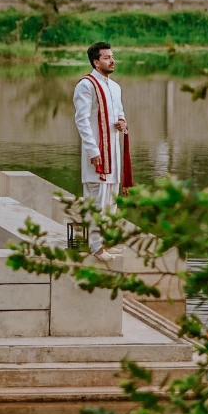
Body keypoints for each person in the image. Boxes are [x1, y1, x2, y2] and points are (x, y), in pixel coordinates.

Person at [72, 41, 132, 257]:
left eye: (112, 56)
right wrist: (92, 150)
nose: (112, 60)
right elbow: (82, 120)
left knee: (111, 201)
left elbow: (119, 112)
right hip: (98, 155)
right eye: (107, 57)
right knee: (97, 200)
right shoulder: (86, 85)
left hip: (113, 154)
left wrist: (122, 123)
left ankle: (103, 241)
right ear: (96, 62)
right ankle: (95, 247)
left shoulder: (115, 87)